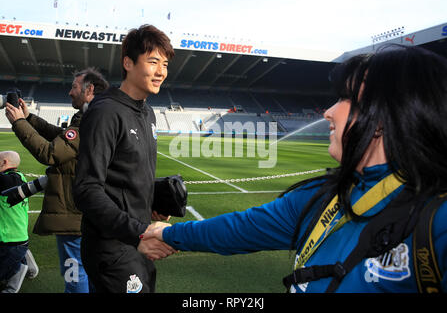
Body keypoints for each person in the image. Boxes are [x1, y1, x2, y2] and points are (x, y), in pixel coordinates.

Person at [140, 45, 447, 293]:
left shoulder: (437, 221)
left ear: (387, 115)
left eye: (346, 98)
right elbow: (242, 228)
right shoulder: (323, 196)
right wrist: (171, 234)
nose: (328, 112)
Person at [72, 24, 176, 293]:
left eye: (164, 64)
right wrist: (137, 232)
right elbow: (86, 190)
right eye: (153, 62)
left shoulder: (148, 113)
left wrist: (150, 203)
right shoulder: (106, 112)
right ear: (128, 63)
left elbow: (125, 175)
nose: (161, 72)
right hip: (112, 247)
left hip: (137, 238)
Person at [5, 68, 109, 293]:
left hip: (74, 212)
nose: (70, 92)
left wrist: (19, 123)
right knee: (91, 271)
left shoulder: (90, 120)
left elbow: (50, 153)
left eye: (74, 87)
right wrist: (30, 118)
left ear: (89, 90)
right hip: (92, 209)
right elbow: (62, 138)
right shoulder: (97, 115)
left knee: (75, 276)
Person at [0, 151, 38, 293]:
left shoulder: (5, 181)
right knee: (17, 252)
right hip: (19, 236)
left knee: (5, 270)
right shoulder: (20, 177)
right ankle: (30, 267)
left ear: (4, 163)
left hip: (10, 239)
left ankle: (18, 271)